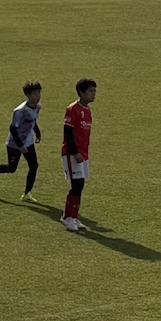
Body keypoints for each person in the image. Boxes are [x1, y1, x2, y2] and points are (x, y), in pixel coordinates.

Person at [0, 81, 43, 196]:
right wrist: (20, 146)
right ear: (28, 95)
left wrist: (37, 132)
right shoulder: (20, 111)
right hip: (14, 143)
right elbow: (13, 128)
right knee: (12, 168)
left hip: (28, 141)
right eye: (34, 93)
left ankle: (27, 194)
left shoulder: (37, 106)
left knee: (34, 166)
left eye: (39, 93)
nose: (38, 96)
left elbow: (33, 120)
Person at [60, 78, 96, 232]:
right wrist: (75, 152)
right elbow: (67, 133)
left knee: (80, 186)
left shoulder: (87, 110)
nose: (93, 94)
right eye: (90, 91)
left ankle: (74, 217)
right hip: (72, 154)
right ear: (81, 93)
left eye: (94, 91)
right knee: (77, 185)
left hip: (83, 154)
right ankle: (67, 217)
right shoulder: (72, 109)